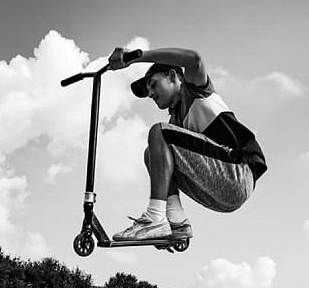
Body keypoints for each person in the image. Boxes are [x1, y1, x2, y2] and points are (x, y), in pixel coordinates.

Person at [107, 46, 267, 242]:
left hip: (238, 174)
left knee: (159, 132)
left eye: (153, 84)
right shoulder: (176, 123)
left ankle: (154, 217)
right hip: (218, 196)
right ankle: (177, 223)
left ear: (173, 76)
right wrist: (160, 238)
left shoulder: (195, 89)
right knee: (152, 154)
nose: (150, 93)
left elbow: (195, 59)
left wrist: (136, 57)